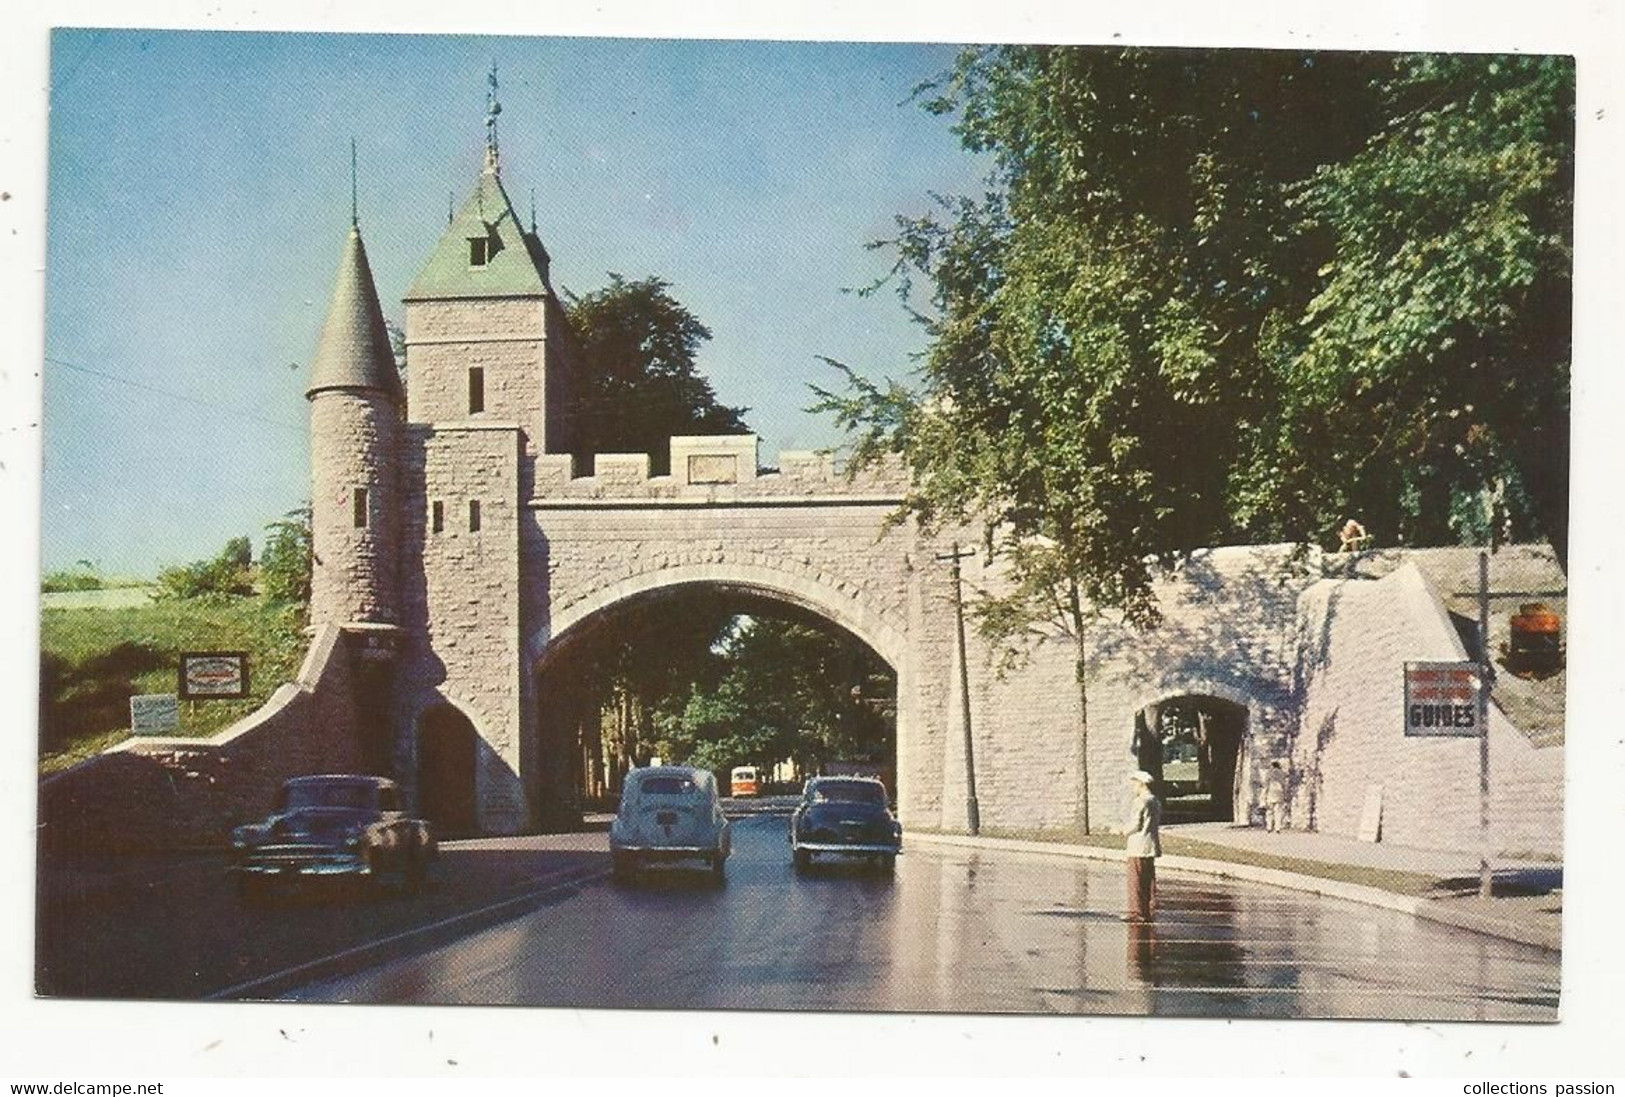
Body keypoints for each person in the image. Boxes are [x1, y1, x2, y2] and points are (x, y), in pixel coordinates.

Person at [1124, 770, 1162, 922]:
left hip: (1137, 845)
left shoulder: (1140, 802)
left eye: (1134, 784)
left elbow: (1135, 824)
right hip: (1150, 844)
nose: (1133, 787)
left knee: (1136, 880)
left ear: (1140, 784)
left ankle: (1137, 912)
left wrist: (1121, 830)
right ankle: (1148, 909)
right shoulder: (1155, 801)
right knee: (1148, 879)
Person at [1264, 760, 1288, 833]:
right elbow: (1284, 784)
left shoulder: (1269, 773)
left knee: (1269, 811)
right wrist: (1285, 794)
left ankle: (1269, 827)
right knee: (1278, 811)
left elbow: (1266, 783)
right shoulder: (1282, 773)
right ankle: (1278, 828)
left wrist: (1265, 794)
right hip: (1279, 791)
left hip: (1271, 790)